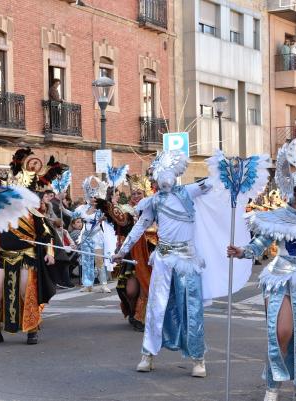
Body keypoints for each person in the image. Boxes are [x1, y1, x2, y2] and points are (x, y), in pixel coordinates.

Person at [112, 150, 211, 378]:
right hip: (164, 259)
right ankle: (148, 354)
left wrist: (223, 172)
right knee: (156, 307)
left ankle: (198, 358)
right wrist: (122, 250)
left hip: (187, 260)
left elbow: (210, 185)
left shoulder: (188, 192)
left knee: (191, 309)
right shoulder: (154, 202)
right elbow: (139, 227)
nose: (163, 181)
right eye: (159, 177)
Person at [227, 139, 296, 401]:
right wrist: (243, 252)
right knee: (281, 332)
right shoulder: (278, 217)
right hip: (284, 276)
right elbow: (261, 242)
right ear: (295, 191)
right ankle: (273, 385)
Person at [0, 148, 61, 345]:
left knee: (25, 293)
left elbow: (46, 234)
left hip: (26, 255)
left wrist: (49, 252)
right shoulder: (1, 212)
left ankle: (32, 329)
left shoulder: (33, 212)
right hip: (4, 256)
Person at [110, 175, 154, 332]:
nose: (136, 197)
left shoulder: (153, 209)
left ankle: (141, 317)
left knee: (146, 287)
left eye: (139, 194)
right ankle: (133, 311)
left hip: (150, 254)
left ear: (145, 194)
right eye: (133, 194)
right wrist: (110, 206)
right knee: (130, 290)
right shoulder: (128, 211)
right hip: (132, 255)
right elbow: (121, 221)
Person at [62, 176, 112, 293]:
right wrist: (61, 207)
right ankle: (88, 284)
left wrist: (105, 217)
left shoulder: (102, 209)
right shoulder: (82, 208)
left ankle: (103, 284)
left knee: (99, 260)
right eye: (91, 197)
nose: (93, 199)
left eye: (95, 197)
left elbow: (110, 219)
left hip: (97, 236)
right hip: (85, 236)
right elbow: (72, 214)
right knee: (86, 260)